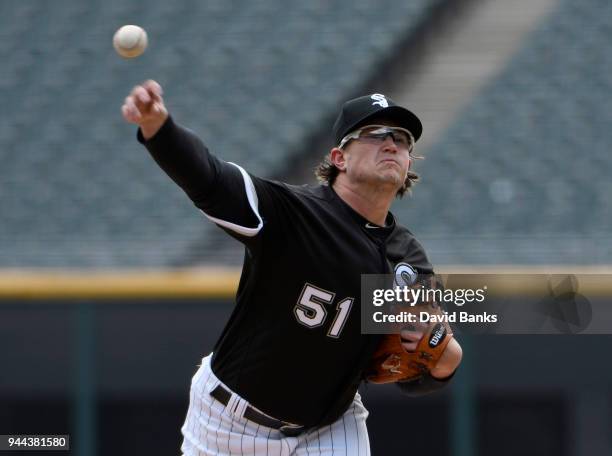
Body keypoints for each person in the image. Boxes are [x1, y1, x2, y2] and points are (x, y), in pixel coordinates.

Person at [122, 81, 462, 456]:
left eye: (402, 140)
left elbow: (414, 375)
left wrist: (443, 361)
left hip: (328, 428)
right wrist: (159, 129)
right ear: (339, 158)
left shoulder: (408, 258)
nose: (392, 144)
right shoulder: (293, 214)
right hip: (227, 423)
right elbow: (210, 179)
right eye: (375, 134)